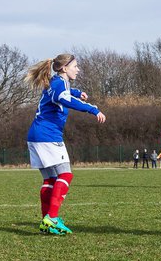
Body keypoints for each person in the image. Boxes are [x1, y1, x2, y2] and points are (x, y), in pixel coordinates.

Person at [25, 53, 105, 235]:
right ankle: (51, 219)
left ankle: (46, 221)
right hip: (48, 136)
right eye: (75, 66)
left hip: (36, 135)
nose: (78, 69)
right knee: (66, 175)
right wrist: (93, 109)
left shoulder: (55, 82)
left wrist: (77, 92)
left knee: (50, 180)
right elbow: (63, 98)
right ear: (64, 68)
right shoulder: (59, 84)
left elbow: (63, 94)